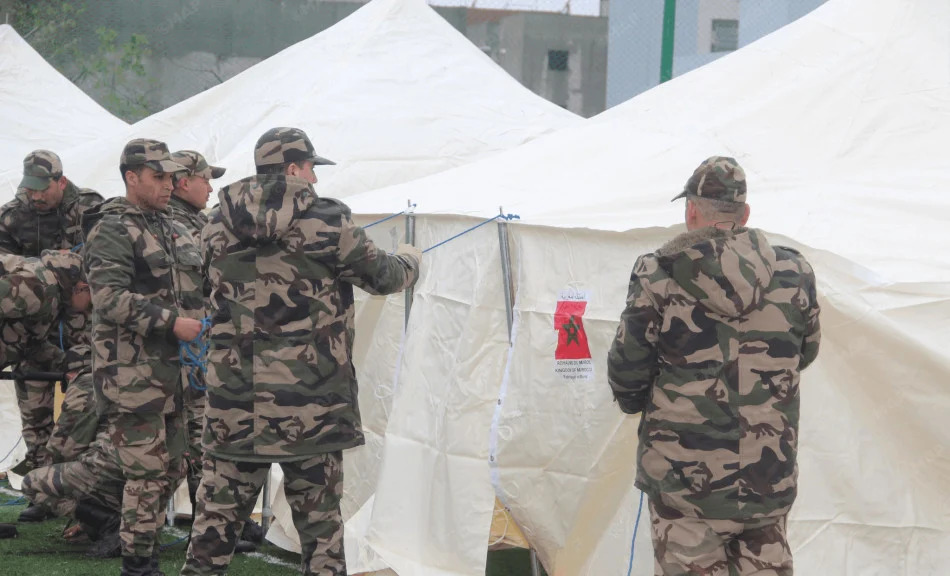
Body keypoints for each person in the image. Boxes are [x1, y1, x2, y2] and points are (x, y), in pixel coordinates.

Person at [181, 127, 421, 576]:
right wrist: (411, 258)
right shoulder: (329, 220)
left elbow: (199, 286)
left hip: (235, 403)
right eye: (310, 167)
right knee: (321, 533)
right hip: (313, 405)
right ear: (292, 167)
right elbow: (383, 277)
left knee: (212, 531)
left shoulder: (214, 221)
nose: (314, 178)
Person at [607, 156, 821, 576]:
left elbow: (628, 367)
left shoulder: (658, 273)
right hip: (766, 477)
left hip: (685, 485)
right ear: (744, 214)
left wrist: (636, 402)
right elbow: (804, 353)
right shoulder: (794, 272)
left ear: (691, 212)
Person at [82, 138, 204, 576]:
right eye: (159, 177)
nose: (170, 184)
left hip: (174, 374)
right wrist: (172, 322)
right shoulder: (113, 227)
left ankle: (131, 540)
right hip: (133, 375)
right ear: (132, 178)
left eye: (172, 176)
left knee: (172, 466)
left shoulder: (172, 225)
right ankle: (138, 564)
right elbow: (108, 297)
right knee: (147, 474)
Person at [0, 150, 102, 516]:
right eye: (31, 190)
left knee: (82, 409)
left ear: (61, 182)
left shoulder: (91, 208)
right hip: (33, 321)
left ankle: (78, 493)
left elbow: (105, 257)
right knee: (34, 410)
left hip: (81, 314)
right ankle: (41, 496)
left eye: (43, 189)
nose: (36, 197)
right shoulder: (13, 215)